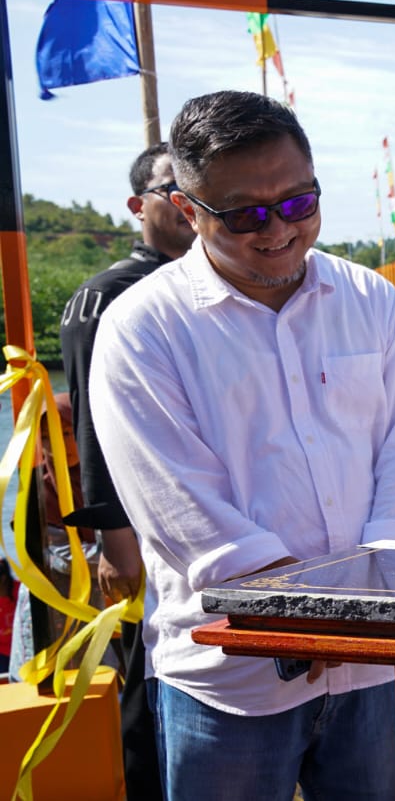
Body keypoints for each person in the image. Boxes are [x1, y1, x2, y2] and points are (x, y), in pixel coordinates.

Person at [89, 90, 395, 800]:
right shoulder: (142, 329)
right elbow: (177, 501)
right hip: (228, 677)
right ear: (188, 211)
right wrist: (291, 610)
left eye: (299, 202)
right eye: (247, 213)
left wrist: (373, 612)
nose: (279, 228)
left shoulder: (371, 301)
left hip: (369, 660)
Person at [56, 142, 195, 800]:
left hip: (198, 526)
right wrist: (115, 539)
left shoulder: (209, 283)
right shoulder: (107, 295)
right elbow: (92, 421)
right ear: (140, 205)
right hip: (140, 527)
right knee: (146, 678)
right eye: (173, 187)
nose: (187, 199)